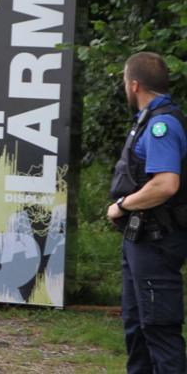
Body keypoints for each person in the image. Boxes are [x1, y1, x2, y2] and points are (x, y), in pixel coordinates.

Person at [107, 51, 187, 373]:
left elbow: (166, 184)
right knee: (137, 326)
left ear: (135, 84)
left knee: (159, 329)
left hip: (158, 241)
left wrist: (122, 206)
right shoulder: (147, 120)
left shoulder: (162, 125)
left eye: (126, 82)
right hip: (140, 240)